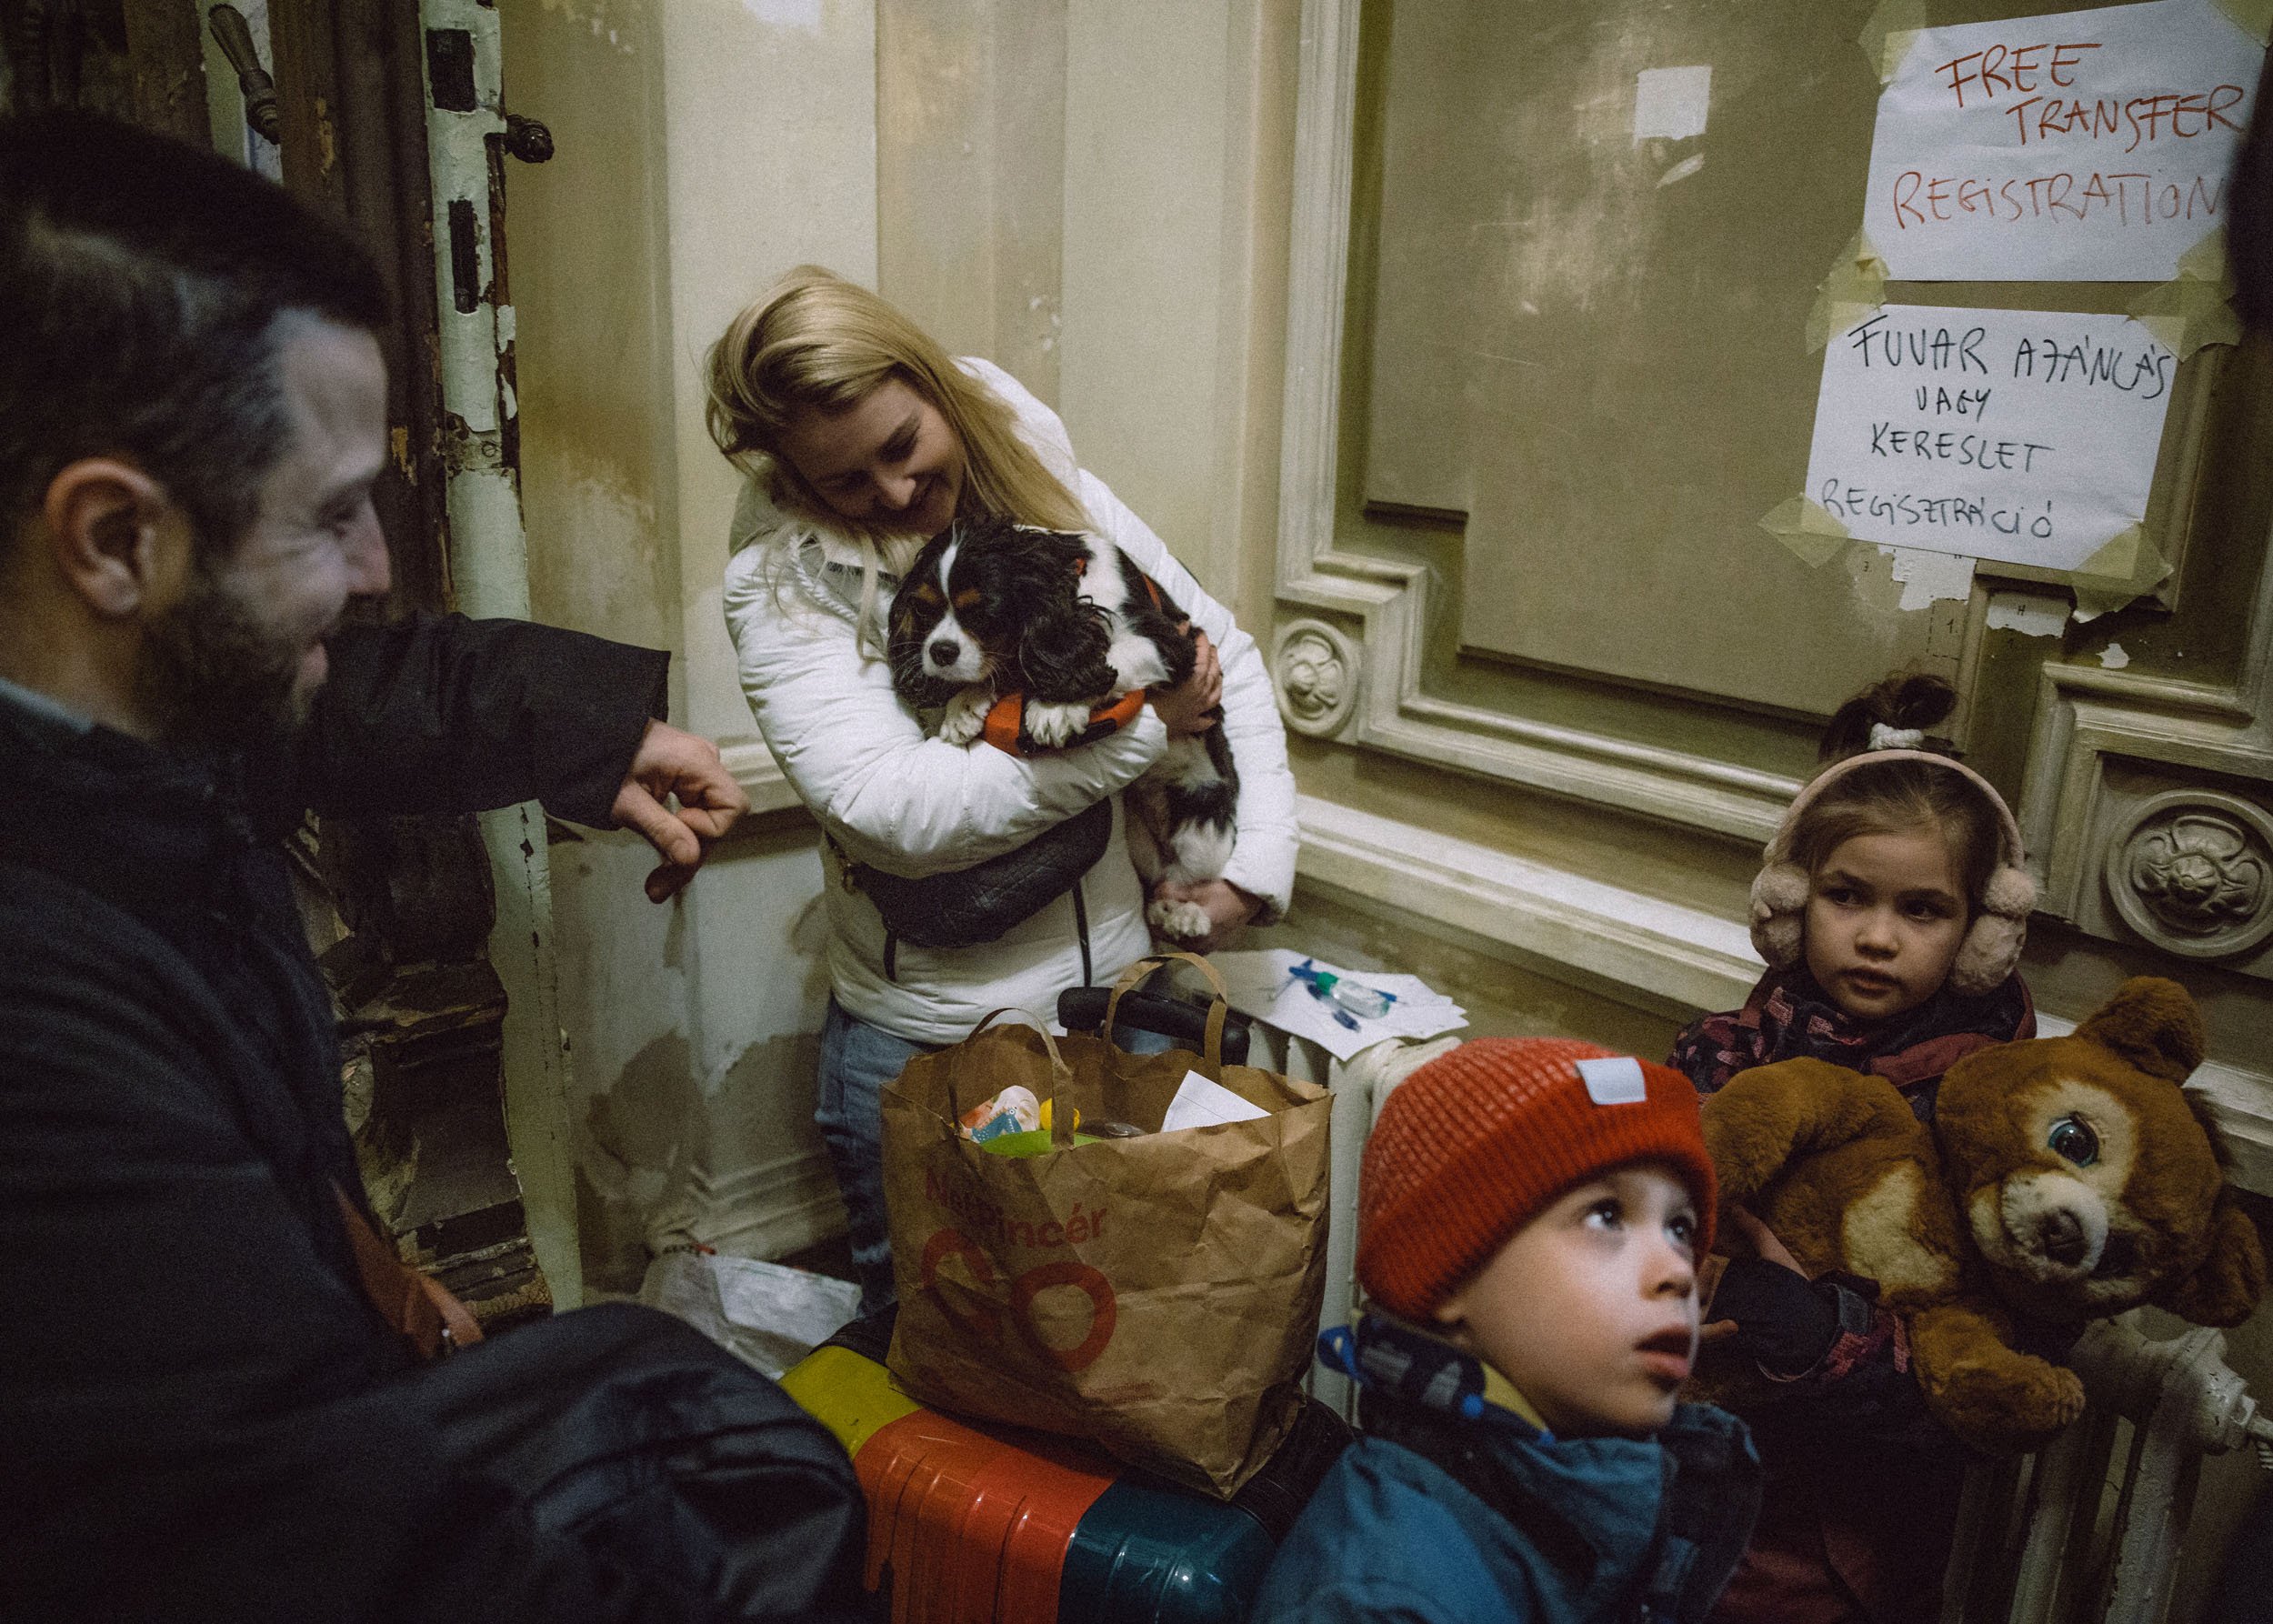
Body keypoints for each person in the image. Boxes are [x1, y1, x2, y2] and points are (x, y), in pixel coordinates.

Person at [0, 113, 868, 1621]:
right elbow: (357, 1561)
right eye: (332, 513)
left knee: (699, 1409)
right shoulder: (39, 1055)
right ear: (113, 539)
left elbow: (347, 709)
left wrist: (579, 734)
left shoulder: (109, 718)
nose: (381, 566)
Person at [707, 266, 1297, 1309]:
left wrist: (1250, 869)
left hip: (1118, 1012)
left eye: (902, 447)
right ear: (796, 484)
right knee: (944, 1369)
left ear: (933, 387)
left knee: (1128, 1340)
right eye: (848, 482)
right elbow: (897, 815)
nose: (893, 493)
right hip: (931, 1046)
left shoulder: (1031, 471)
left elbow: (1218, 651)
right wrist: (1138, 736)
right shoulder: (779, 581)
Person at [1666, 672, 2039, 1624]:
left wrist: (1822, 1336)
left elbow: (1987, 1388)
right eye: (1845, 896)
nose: (1875, 937)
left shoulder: (1991, 1118)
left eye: (1922, 910)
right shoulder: (1722, 1050)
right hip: (1684, 1480)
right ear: (1789, 902)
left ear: (1981, 934)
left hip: (1843, 1537)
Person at [1250, 1037, 1761, 1623]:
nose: (1678, 1271)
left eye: (1680, 1227)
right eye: (1606, 1215)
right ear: (1449, 1276)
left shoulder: (1573, 1498)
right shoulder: (1385, 1604)